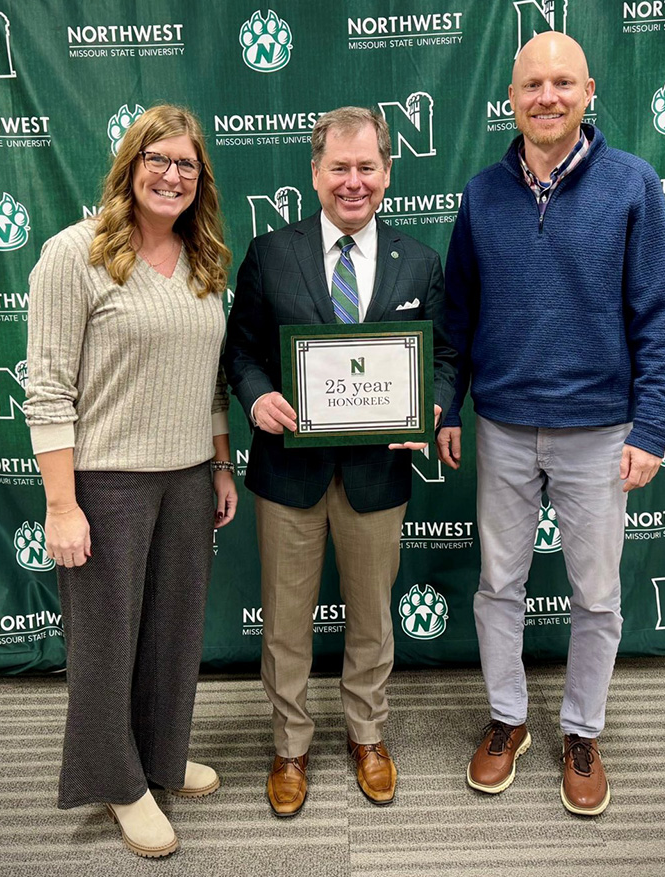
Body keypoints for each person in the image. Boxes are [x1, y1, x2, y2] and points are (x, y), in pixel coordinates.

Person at [438, 33, 665, 816]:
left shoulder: (634, 185)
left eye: (562, 83)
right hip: (504, 426)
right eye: (532, 84)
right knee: (498, 586)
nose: (547, 96)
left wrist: (651, 426)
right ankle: (508, 717)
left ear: (589, 91)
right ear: (511, 97)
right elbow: (458, 318)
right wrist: (447, 406)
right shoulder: (480, 195)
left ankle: (582, 730)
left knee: (597, 595)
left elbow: (657, 316)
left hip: (599, 429)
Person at [224, 106, 457, 816]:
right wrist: (258, 396)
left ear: (388, 171)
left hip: (376, 476)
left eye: (366, 168)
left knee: (373, 619)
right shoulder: (269, 253)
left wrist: (435, 407)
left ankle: (368, 735)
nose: (352, 182)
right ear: (315, 172)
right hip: (288, 473)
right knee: (286, 621)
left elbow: (444, 358)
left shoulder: (419, 261)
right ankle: (290, 744)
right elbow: (240, 351)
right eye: (339, 168)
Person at [24, 104, 237, 857]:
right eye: (158, 159)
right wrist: (61, 503)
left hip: (185, 478)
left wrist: (218, 461)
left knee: (174, 633)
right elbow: (46, 389)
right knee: (107, 644)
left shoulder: (204, 257)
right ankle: (118, 781)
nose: (171, 175)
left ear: (199, 178)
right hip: (106, 483)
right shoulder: (73, 254)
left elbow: (210, 379)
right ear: (130, 166)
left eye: (186, 164)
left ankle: (160, 759)